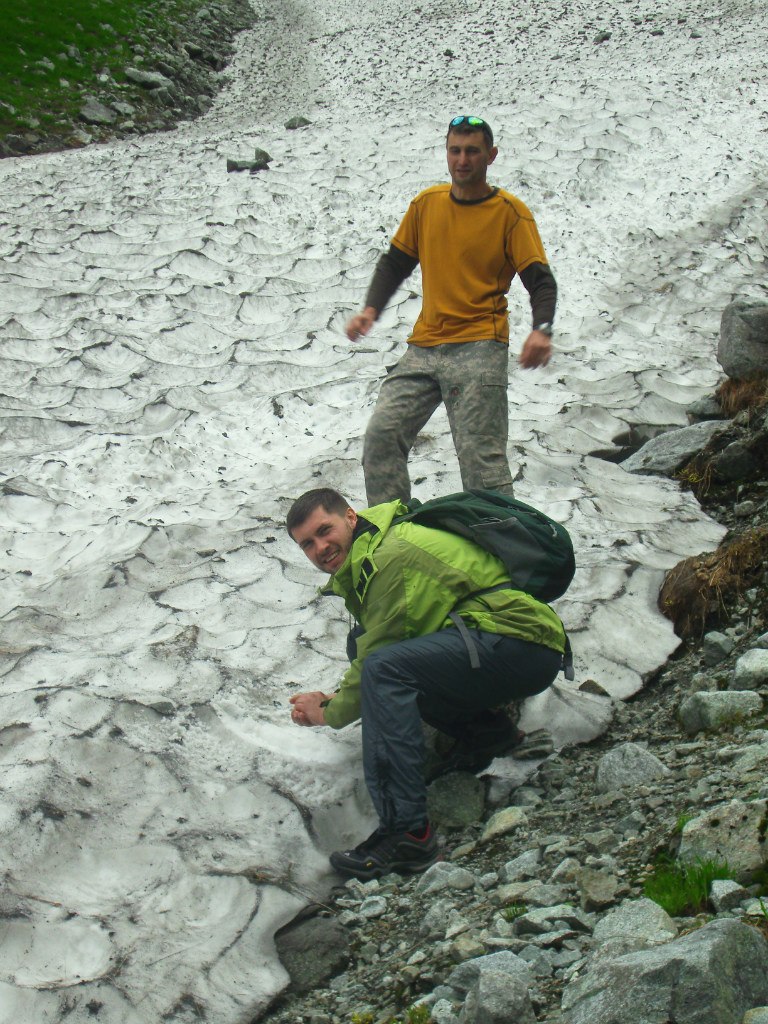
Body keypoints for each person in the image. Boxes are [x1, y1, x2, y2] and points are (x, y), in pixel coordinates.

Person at [286, 486, 565, 880]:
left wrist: (328, 711)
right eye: (307, 544)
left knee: (385, 670)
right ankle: (486, 735)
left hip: (522, 641)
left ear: (350, 517)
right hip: (506, 642)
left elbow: (378, 665)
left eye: (324, 531)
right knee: (373, 655)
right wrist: (339, 697)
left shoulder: (388, 557)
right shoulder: (374, 549)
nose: (320, 548)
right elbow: (381, 647)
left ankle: (407, 834)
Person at [347, 114, 557, 507]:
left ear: (490, 156)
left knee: (481, 461)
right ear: (446, 153)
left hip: (480, 346)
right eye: (455, 150)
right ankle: (393, 537)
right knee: (381, 435)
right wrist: (370, 309)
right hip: (424, 348)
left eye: (472, 151)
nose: (462, 160)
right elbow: (396, 262)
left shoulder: (511, 214)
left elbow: (540, 279)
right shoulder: (427, 205)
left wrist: (541, 328)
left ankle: (502, 548)